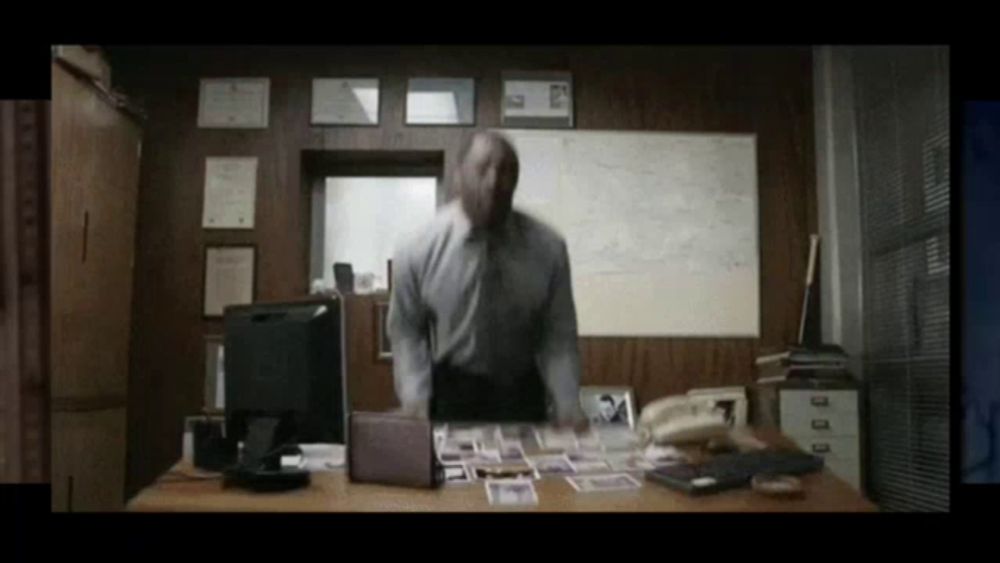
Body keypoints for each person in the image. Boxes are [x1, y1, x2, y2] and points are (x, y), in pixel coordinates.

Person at [388, 131, 584, 427]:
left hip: (522, 392)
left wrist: (568, 404)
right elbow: (407, 330)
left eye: (506, 172)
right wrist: (415, 399)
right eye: (482, 170)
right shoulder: (416, 248)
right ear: (458, 176)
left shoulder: (549, 247)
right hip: (452, 391)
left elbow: (558, 335)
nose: (494, 183)